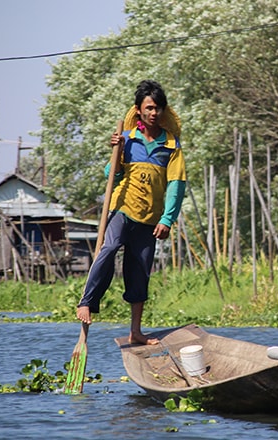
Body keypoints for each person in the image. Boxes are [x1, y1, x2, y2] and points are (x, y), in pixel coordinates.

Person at [76, 80, 186, 345]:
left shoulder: (171, 146)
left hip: (150, 218)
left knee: (139, 271)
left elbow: (176, 184)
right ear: (138, 110)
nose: (153, 113)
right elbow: (110, 175)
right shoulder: (127, 139)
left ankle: (135, 331)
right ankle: (87, 302)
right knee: (109, 247)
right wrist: (117, 153)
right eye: (148, 108)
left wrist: (167, 218)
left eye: (158, 108)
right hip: (122, 209)